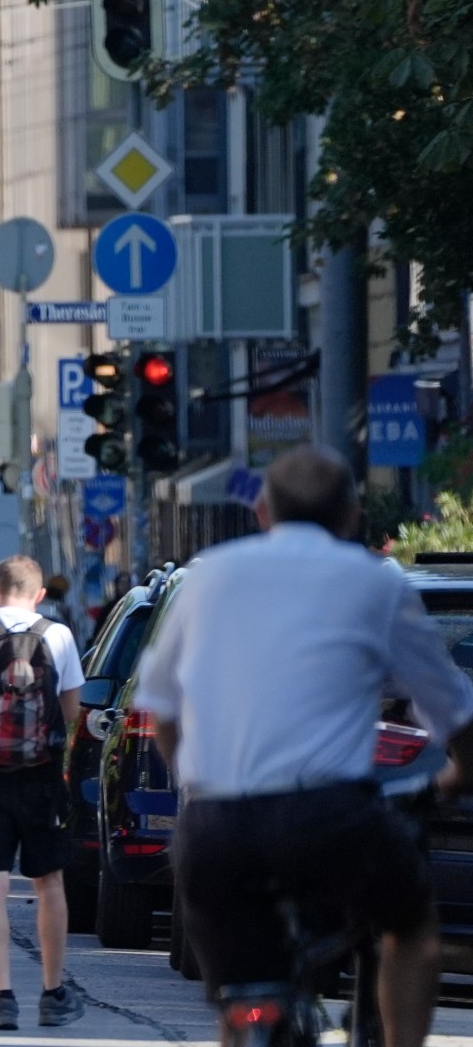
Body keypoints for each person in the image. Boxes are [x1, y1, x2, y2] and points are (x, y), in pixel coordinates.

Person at [136, 448, 473, 1047]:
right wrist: (459, 774)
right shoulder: (376, 582)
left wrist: (203, 780)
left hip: (216, 825)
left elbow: (161, 707)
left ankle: (245, 1025)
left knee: (241, 989)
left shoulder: (209, 574)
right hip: (327, 818)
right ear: (351, 515)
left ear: (263, 512)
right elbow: (454, 711)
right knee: (411, 924)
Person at [0, 554, 86, 1031]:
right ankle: (53, 992)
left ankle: (2, 997)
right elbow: (72, 711)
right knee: (49, 883)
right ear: (40, 594)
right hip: (42, 776)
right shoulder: (59, 634)